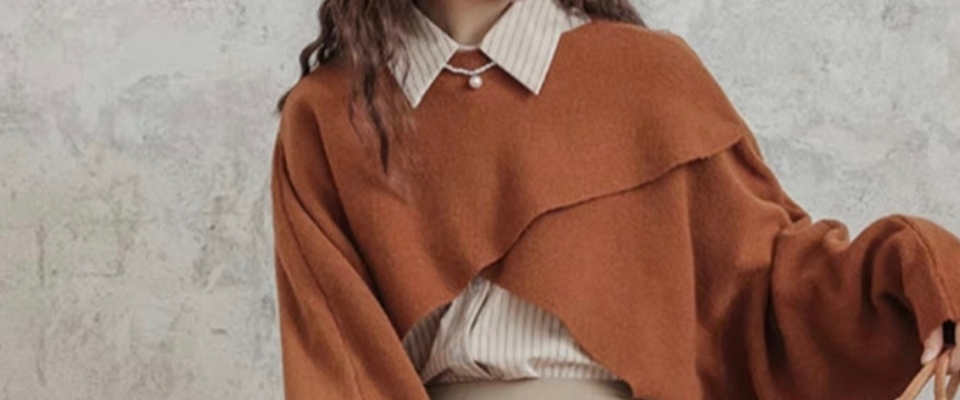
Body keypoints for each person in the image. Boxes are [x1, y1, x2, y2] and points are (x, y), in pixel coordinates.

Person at [268, 0, 960, 399]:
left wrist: (921, 271)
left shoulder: (649, 79)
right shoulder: (328, 118)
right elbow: (337, 372)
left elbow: (771, 290)